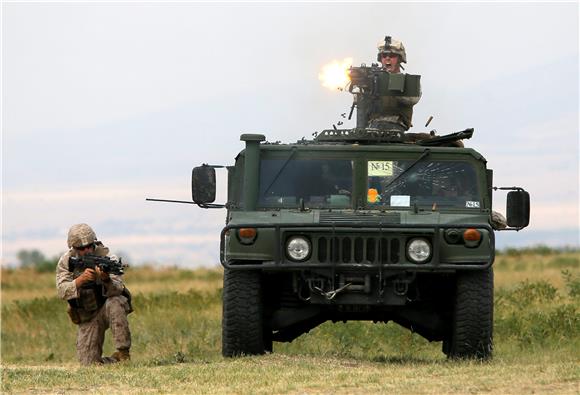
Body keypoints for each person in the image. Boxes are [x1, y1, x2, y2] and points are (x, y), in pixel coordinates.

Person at [56, 223, 132, 365]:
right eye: (81, 248)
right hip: (87, 316)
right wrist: (79, 281)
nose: (87, 250)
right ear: (73, 248)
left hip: (106, 308)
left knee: (116, 301)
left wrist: (105, 279)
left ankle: (123, 353)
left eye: (90, 246)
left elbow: (118, 288)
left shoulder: (107, 257)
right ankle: (114, 362)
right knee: (89, 365)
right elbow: (61, 291)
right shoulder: (66, 261)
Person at [368, 36, 421, 131]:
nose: (387, 59)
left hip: (396, 128)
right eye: (384, 56)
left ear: (400, 59)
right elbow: (359, 102)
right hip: (372, 128)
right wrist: (363, 85)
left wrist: (385, 83)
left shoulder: (407, 81)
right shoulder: (372, 80)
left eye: (392, 56)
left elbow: (412, 99)